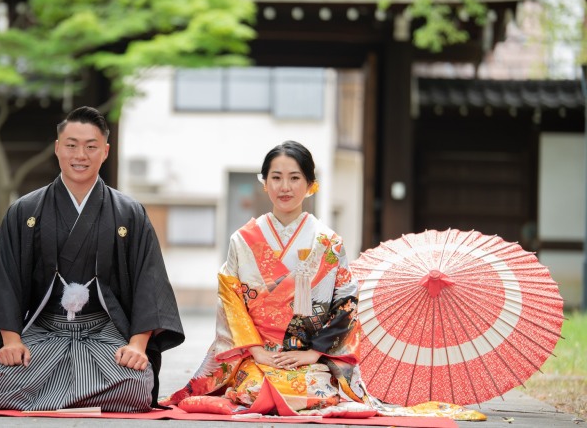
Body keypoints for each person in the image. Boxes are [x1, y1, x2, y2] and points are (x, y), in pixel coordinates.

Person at [161, 141, 483, 420]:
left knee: (314, 390)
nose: (285, 187)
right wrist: (257, 351)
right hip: (258, 354)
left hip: (307, 354)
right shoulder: (243, 240)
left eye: (294, 178)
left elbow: (345, 302)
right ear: (264, 183)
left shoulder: (327, 242)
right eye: (276, 177)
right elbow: (230, 298)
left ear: (310, 184)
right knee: (254, 389)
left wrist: (313, 353)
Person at [0, 106, 185, 412]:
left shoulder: (129, 213)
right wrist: (11, 342)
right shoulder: (25, 211)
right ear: (57, 148)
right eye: (72, 145)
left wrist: (137, 346)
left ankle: (50, 398)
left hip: (105, 333)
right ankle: (86, 398)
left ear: (105, 151)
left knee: (135, 385)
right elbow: (5, 280)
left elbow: (149, 282)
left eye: (91, 147)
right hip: (45, 331)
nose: (80, 155)